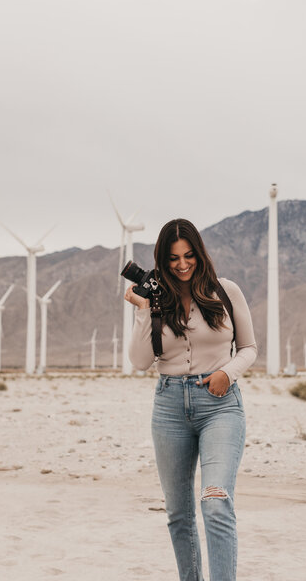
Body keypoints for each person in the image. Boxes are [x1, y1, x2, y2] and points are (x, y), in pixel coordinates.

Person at [125, 218, 257, 581]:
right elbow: (138, 362)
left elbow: (248, 348)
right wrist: (143, 309)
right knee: (179, 513)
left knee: (215, 503)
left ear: (199, 254)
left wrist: (226, 373)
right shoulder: (156, 301)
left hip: (220, 406)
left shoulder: (225, 291)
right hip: (168, 408)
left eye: (188, 256)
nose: (182, 265)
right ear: (161, 261)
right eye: (172, 259)